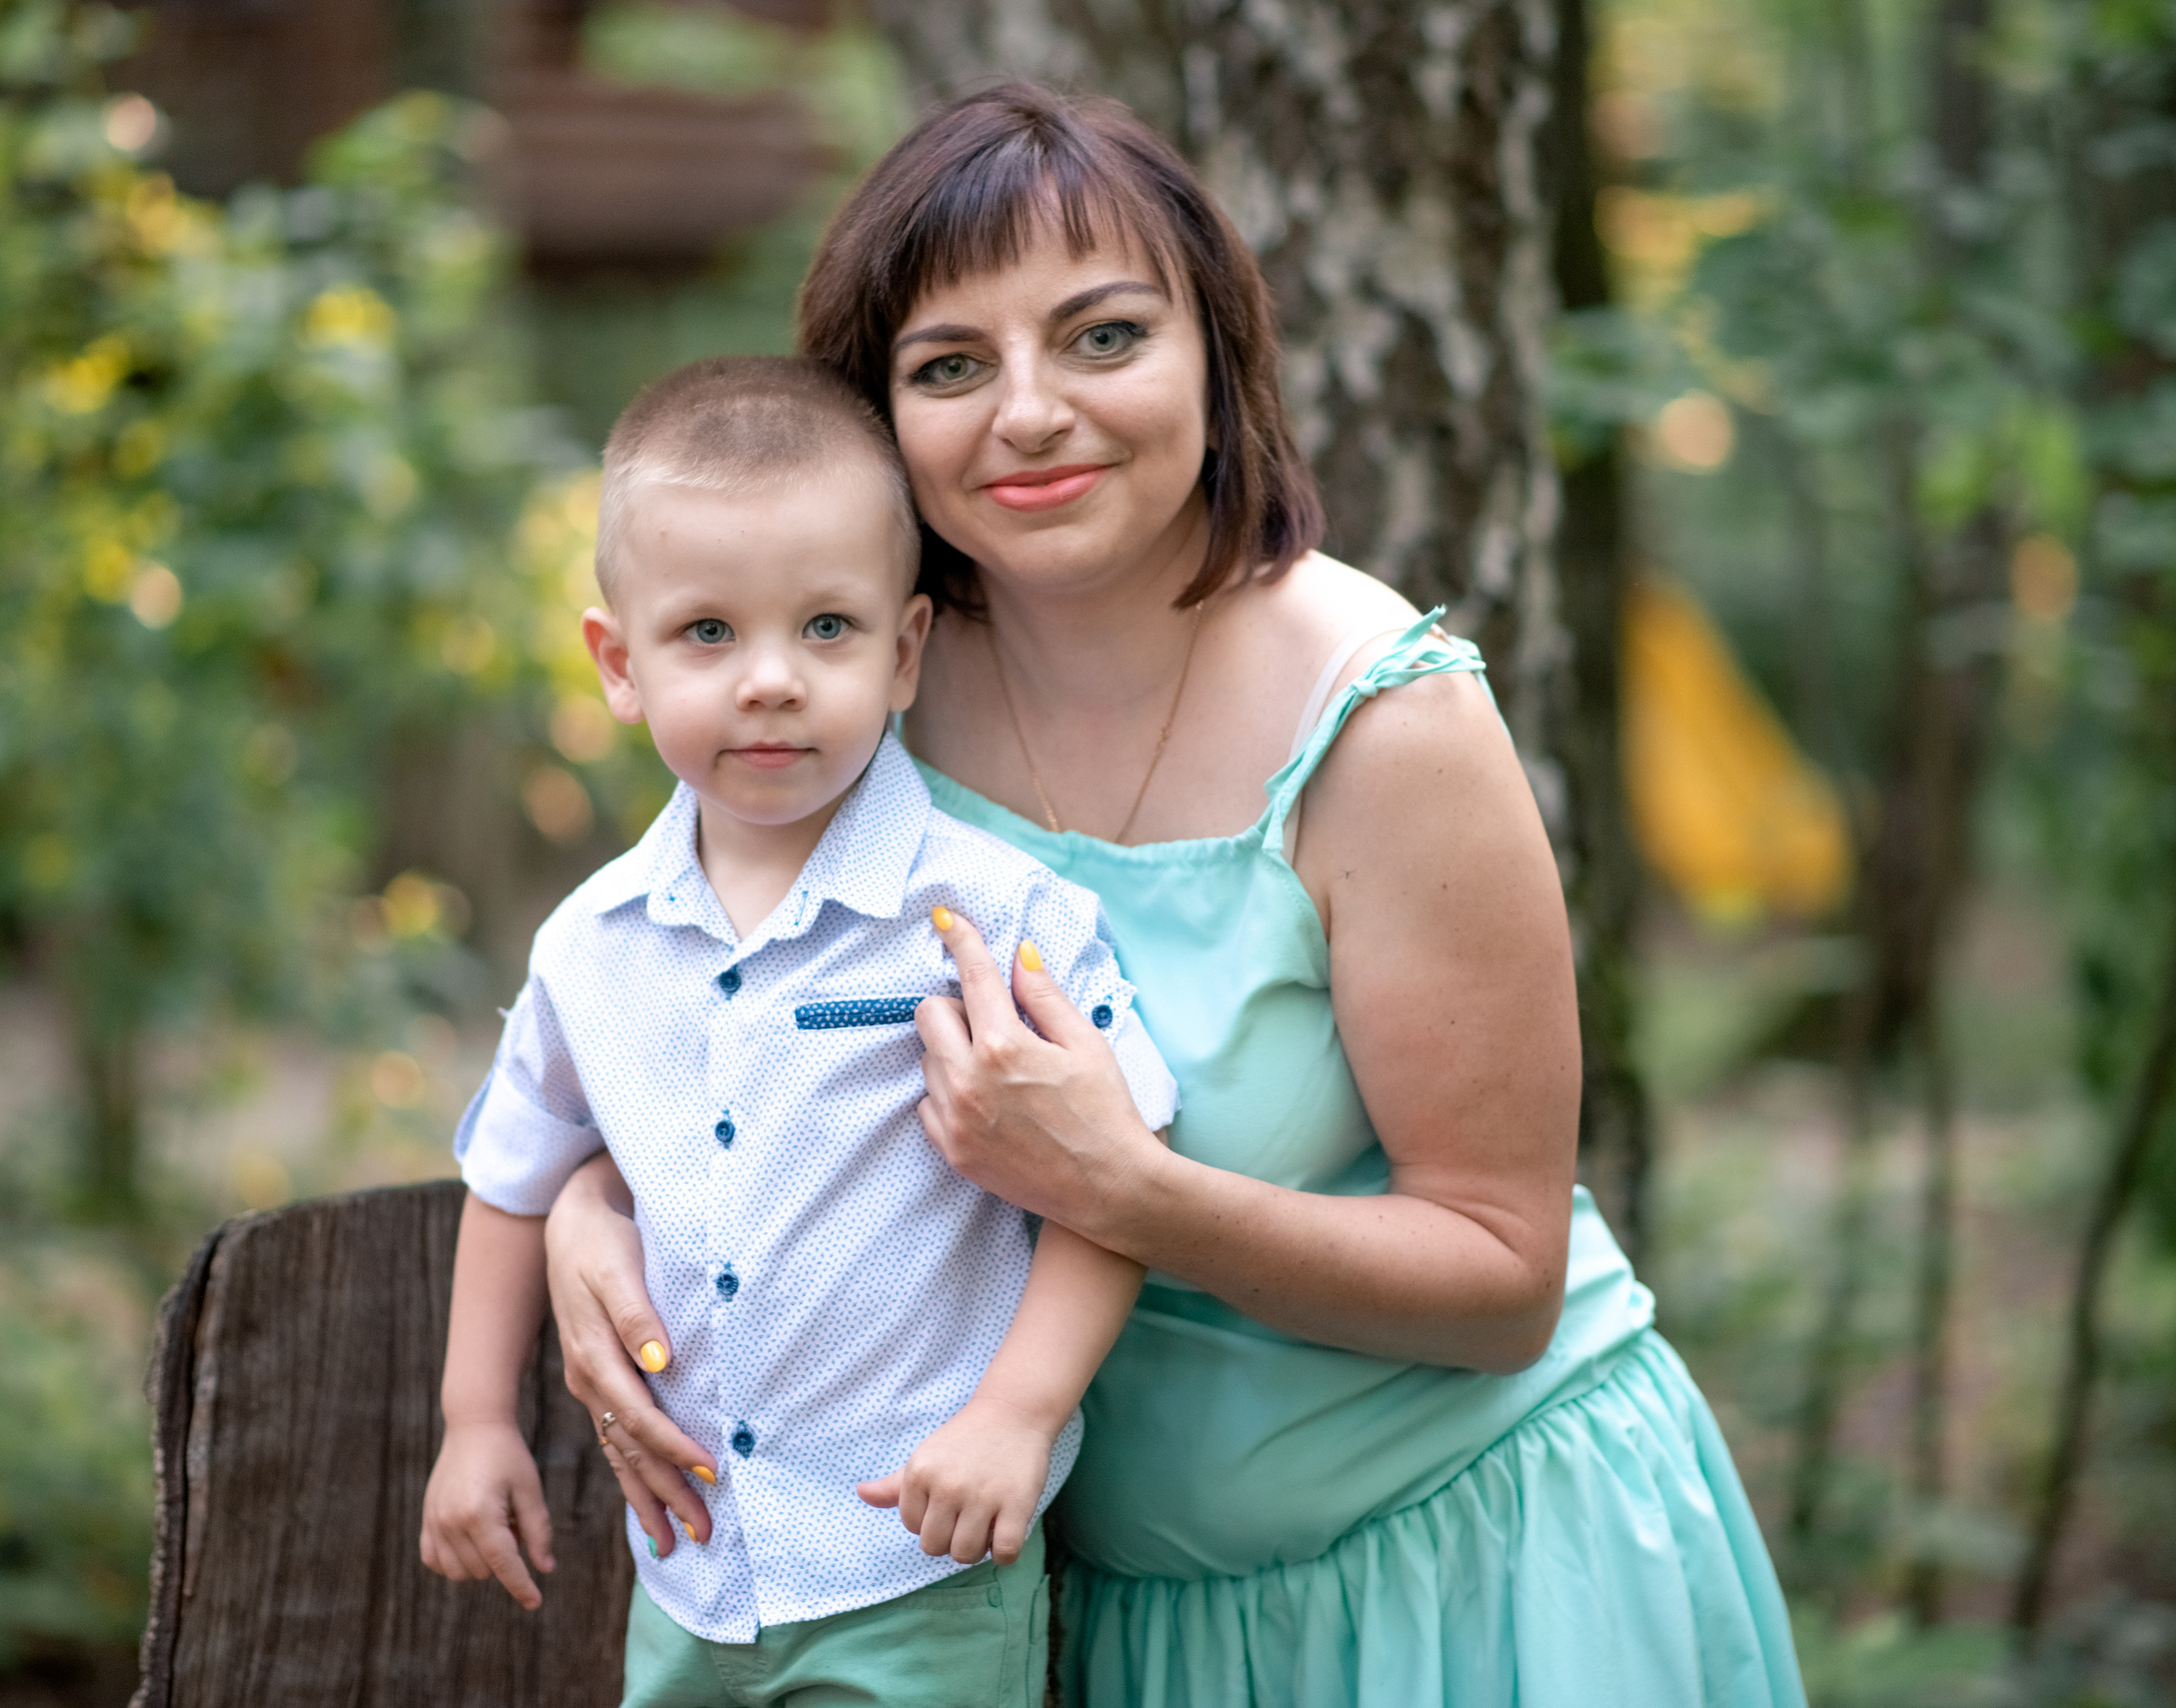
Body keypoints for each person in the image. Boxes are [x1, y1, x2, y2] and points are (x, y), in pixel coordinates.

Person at [541, 87, 1808, 1707]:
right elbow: (680, 1005)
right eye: (949, 367)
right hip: (1072, 1628)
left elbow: (1503, 1281)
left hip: (1462, 1585)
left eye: (1101, 337)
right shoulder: (853, 690)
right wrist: (586, 1210)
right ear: (875, 424)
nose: (1028, 413)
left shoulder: (1385, 723)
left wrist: (1124, 1188)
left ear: (1214, 350)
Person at [417, 355, 1181, 1707]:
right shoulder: (589, 947)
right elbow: (513, 1173)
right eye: (708, 633)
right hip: (695, 1575)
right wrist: (475, 1421)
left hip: (919, 1566)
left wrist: (1018, 1410)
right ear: (619, 663)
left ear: (905, 651)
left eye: (826, 629)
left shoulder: (989, 915)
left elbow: (1118, 1172)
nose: (770, 680)